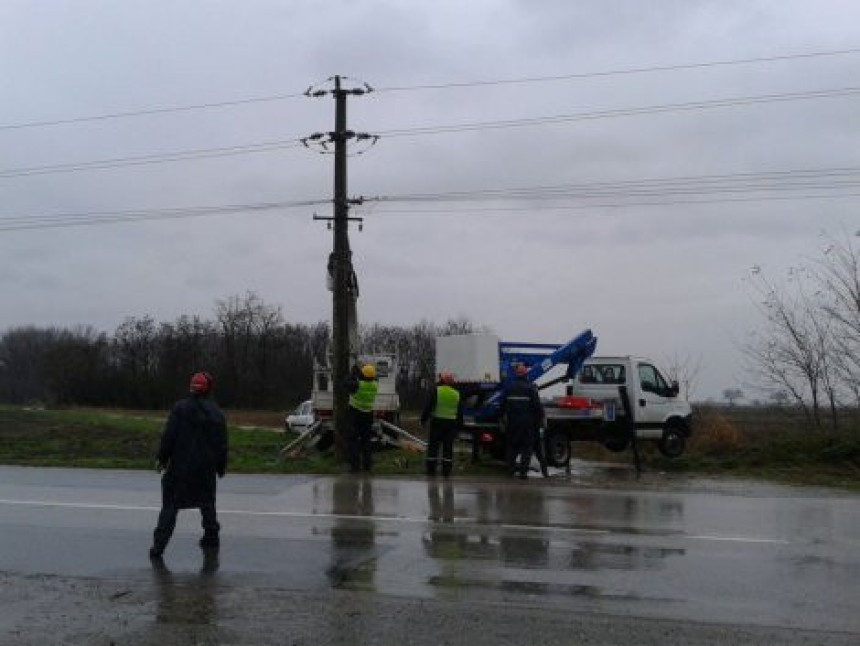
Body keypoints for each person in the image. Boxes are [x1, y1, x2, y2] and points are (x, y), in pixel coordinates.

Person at [149, 371, 228, 558]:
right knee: (207, 502)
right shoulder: (217, 413)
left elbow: (169, 436)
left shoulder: (180, 408)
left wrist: (162, 458)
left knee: (170, 506)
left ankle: (158, 547)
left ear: (192, 388)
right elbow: (221, 443)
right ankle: (211, 537)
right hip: (206, 468)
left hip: (181, 467)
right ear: (209, 389)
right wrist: (220, 466)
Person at [499, 363, 546, 480]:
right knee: (527, 448)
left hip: (512, 423)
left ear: (516, 373)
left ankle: (510, 471)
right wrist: (541, 419)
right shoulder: (531, 388)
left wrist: (501, 419)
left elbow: (502, 406)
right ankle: (523, 473)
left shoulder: (509, 388)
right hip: (527, 424)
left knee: (512, 447)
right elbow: (537, 406)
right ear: (526, 373)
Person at [420, 372, 463, 477]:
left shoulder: (436, 391)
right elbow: (460, 412)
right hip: (451, 424)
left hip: (437, 422)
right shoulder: (456, 393)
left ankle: (431, 470)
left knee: (433, 447)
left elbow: (429, 406)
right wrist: (459, 426)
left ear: (441, 380)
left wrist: (423, 419)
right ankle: (446, 471)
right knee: (448, 448)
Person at [346, 363, 378, 473]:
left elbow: (346, 383)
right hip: (368, 415)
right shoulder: (375, 385)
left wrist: (353, 372)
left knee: (353, 440)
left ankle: (355, 466)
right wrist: (363, 371)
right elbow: (370, 377)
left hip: (355, 414)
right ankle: (367, 466)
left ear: (362, 375)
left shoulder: (358, 385)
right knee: (366, 441)